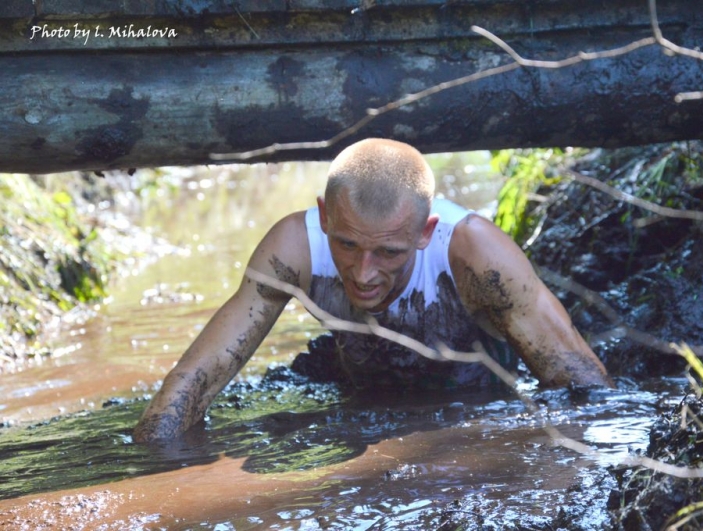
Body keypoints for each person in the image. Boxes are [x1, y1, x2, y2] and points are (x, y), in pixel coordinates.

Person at [133, 138, 612, 442]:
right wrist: (149, 469)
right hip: (361, 395)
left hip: (476, 406)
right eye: (346, 244)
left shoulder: (474, 253)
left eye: (388, 254)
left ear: (424, 232)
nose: (363, 274)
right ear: (325, 216)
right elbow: (198, 377)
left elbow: (587, 389)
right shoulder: (294, 247)